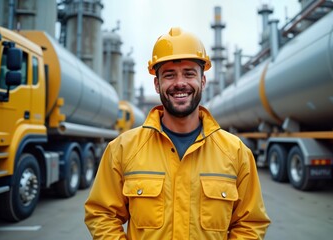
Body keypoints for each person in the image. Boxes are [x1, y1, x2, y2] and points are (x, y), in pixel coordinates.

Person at [84, 27, 271, 239]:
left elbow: (250, 223)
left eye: (189, 73)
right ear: (157, 84)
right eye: (169, 75)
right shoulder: (122, 149)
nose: (180, 83)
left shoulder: (236, 153)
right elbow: (101, 214)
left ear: (202, 81)